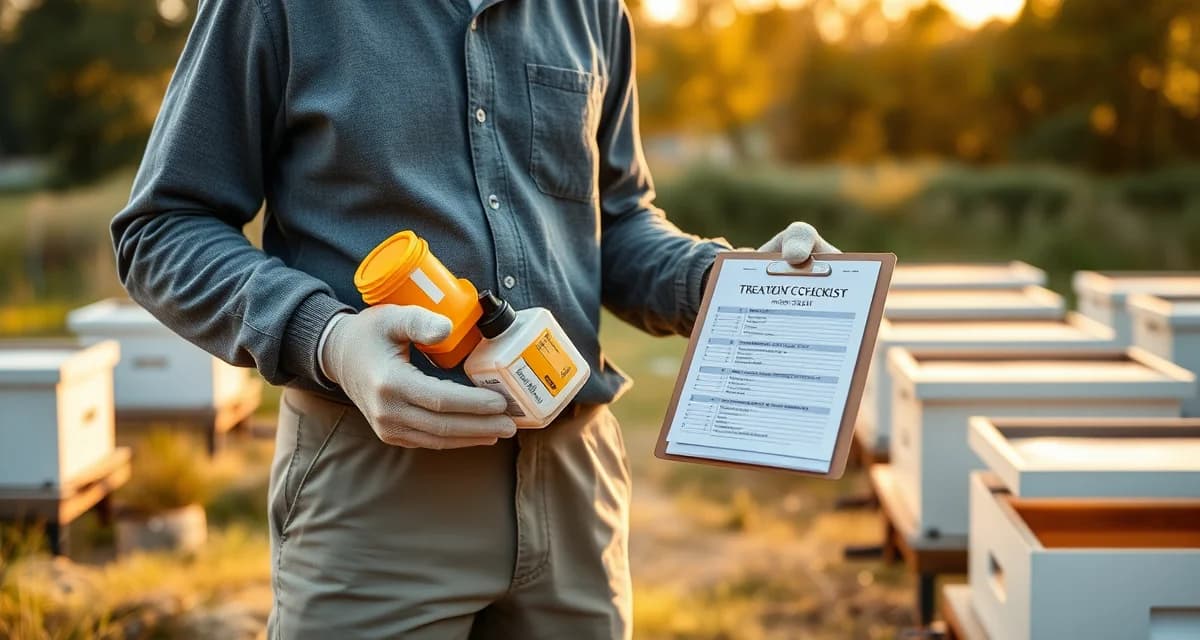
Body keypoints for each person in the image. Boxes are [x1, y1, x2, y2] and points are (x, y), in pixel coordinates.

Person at [111, 0, 839, 638]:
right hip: (373, 488)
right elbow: (163, 228)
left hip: (573, 483)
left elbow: (613, 221)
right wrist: (328, 339)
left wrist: (717, 278)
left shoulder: (592, 8)